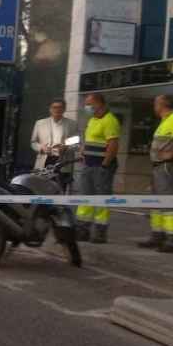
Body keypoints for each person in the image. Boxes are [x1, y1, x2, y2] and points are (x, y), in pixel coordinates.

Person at [139, 94, 173, 253]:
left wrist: (172, 154)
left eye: (156, 103)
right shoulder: (165, 121)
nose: (154, 106)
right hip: (159, 167)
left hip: (168, 166)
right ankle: (157, 235)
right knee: (155, 203)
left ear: (162, 104)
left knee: (168, 202)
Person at [77, 93, 121, 244]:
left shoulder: (110, 121)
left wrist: (105, 165)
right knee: (85, 197)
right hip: (89, 165)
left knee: (102, 199)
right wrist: (83, 152)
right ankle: (83, 230)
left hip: (102, 166)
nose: (87, 107)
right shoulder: (92, 120)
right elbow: (89, 140)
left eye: (89, 104)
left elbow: (113, 145)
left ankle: (100, 233)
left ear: (99, 104)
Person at [30, 99, 78, 170]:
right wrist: (41, 148)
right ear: (50, 109)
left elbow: (76, 144)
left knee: (60, 181)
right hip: (44, 159)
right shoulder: (40, 123)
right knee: (42, 180)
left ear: (64, 109)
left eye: (60, 107)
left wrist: (66, 148)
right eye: (54, 107)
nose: (57, 110)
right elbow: (33, 142)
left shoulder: (72, 124)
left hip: (63, 161)